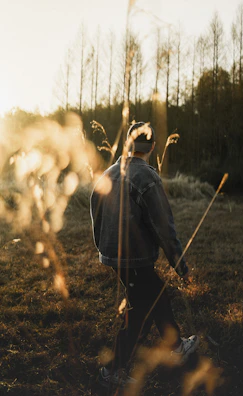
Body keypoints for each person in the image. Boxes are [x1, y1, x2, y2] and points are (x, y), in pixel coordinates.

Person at [90, 121, 199, 388]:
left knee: (155, 296)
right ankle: (111, 370)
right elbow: (164, 228)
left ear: (128, 145)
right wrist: (180, 266)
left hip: (114, 257)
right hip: (135, 258)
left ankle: (176, 347)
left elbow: (96, 215)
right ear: (151, 147)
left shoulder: (108, 173)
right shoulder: (147, 178)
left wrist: (103, 249)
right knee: (141, 311)